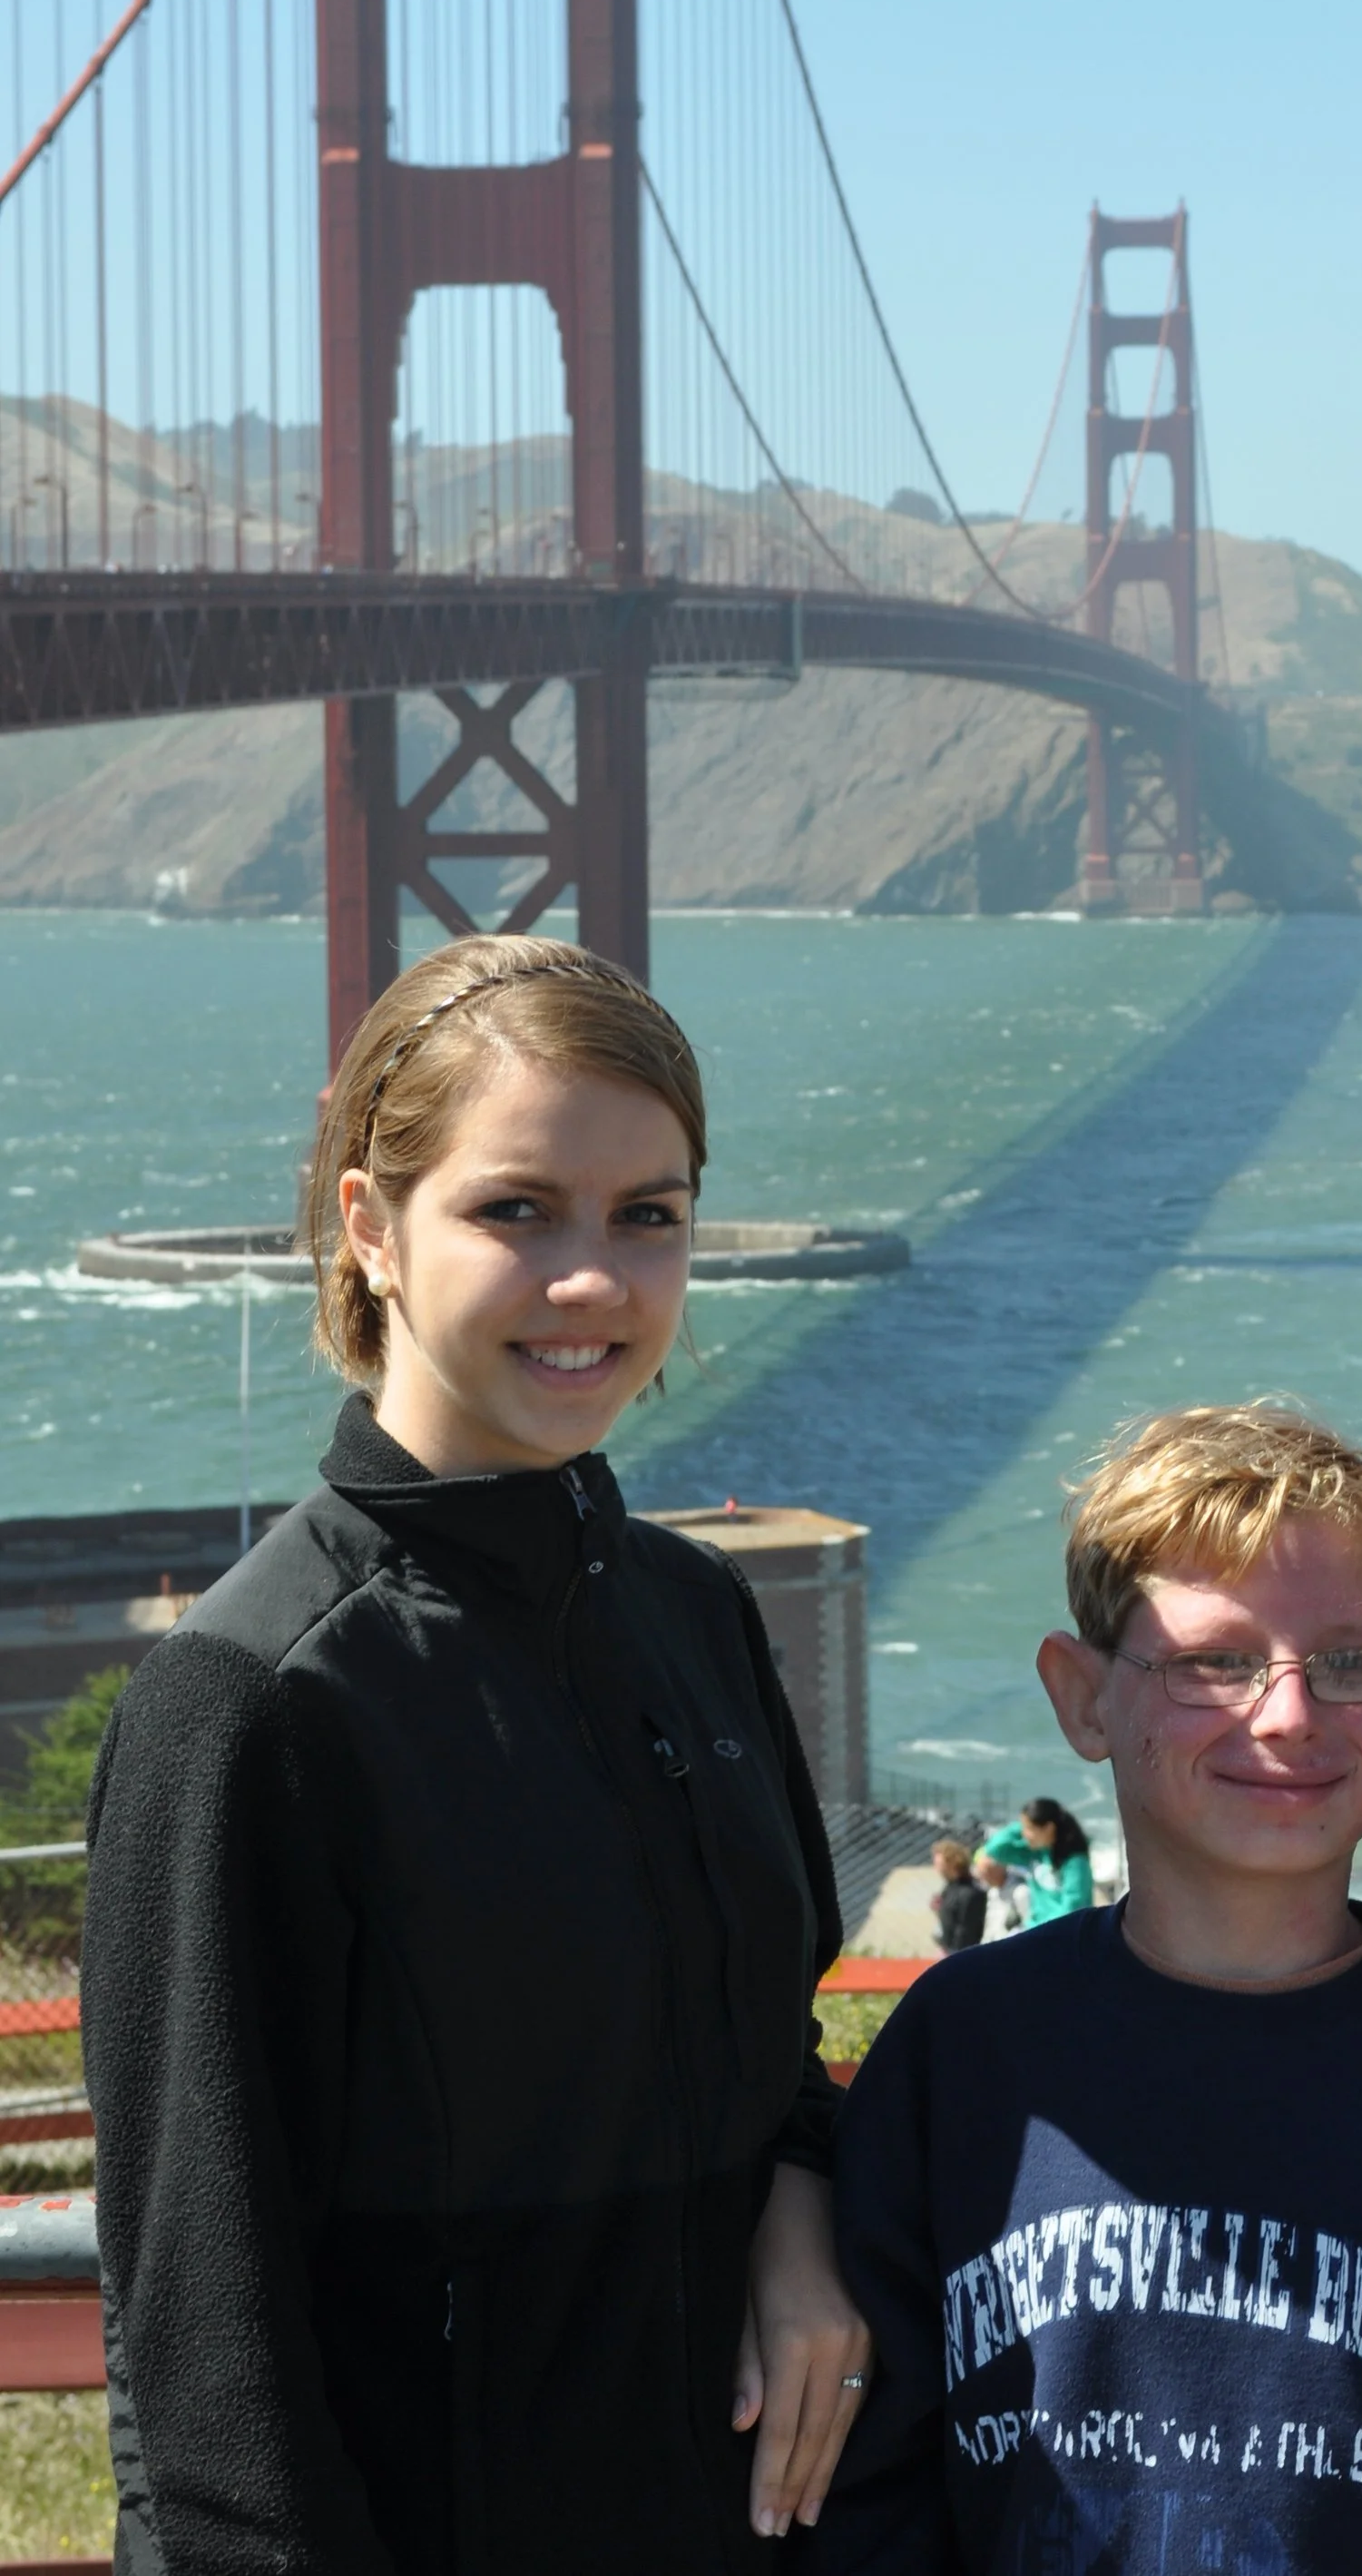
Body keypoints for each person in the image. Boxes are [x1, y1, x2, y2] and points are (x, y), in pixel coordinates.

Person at [82, 935, 870, 2576]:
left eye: (647, 1213)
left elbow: (762, 2027)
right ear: (371, 1227)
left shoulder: (696, 1611)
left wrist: (799, 2201)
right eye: (517, 1208)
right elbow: (209, 2371)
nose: (594, 1279)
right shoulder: (254, 1701)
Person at [812, 1403, 1362, 2576]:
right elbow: (867, 2500)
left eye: (1348, 1660)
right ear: (1083, 1696)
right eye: (1214, 1662)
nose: (1289, 1711)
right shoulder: (962, 2052)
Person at [977, 1794, 1094, 1922]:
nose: (1024, 1834)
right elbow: (995, 1849)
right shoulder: (1034, 1853)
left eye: (1029, 1829)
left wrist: (1042, 1932)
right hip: (1037, 1930)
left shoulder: (1075, 1862)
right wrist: (1023, 1824)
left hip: (1061, 1934)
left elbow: (1073, 1906)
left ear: (1049, 1828)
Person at [931, 1838, 987, 1955]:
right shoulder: (950, 1887)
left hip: (962, 1952)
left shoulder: (969, 1892)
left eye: (939, 1862)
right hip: (949, 1947)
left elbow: (966, 1931)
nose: (936, 1866)